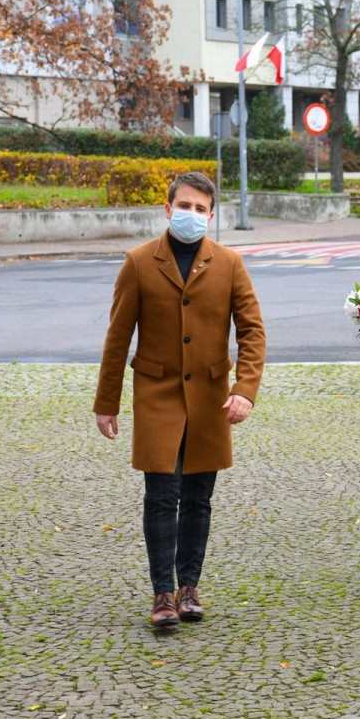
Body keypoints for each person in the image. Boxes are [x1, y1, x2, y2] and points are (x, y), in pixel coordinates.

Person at [93, 171, 266, 627]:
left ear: (211, 215)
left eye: (200, 209)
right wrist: (106, 402)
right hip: (156, 394)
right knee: (160, 495)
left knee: (198, 499)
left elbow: (252, 332)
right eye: (183, 206)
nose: (191, 215)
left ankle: (189, 589)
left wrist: (245, 390)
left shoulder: (229, 263)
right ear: (167, 210)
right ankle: (162, 595)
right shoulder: (138, 262)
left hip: (210, 398)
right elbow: (118, 337)